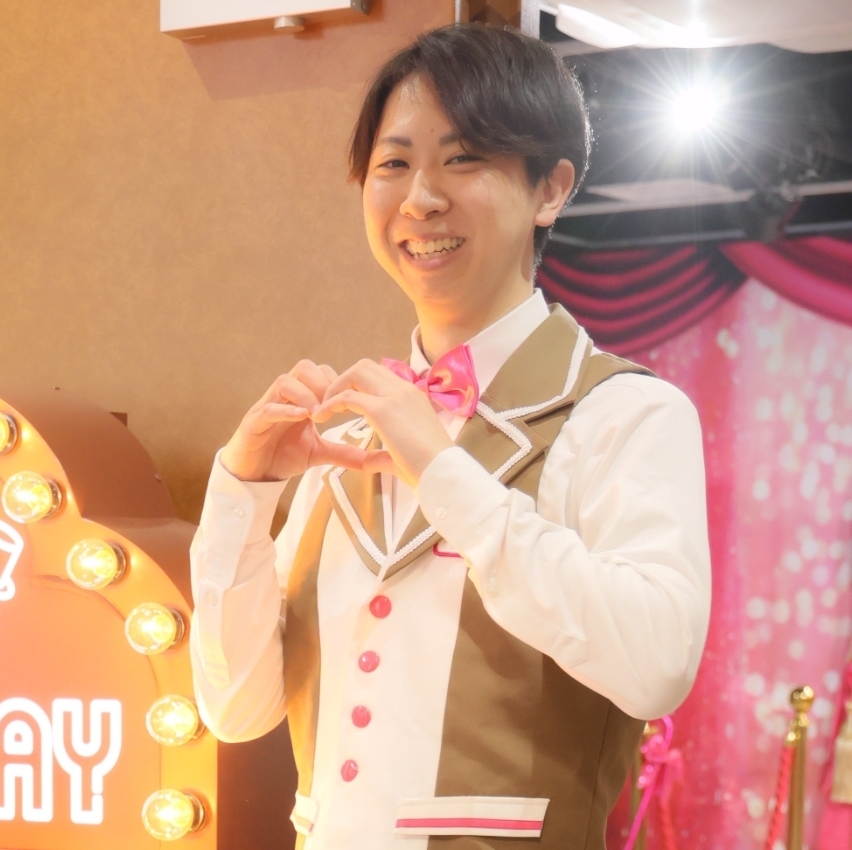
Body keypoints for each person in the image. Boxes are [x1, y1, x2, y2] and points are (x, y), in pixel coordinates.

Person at [189, 23, 711, 850]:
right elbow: (235, 709)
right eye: (392, 164)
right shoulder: (345, 436)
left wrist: (441, 468)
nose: (419, 198)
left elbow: (655, 666)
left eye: (463, 158)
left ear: (550, 189)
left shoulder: (625, 414)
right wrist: (241, 493)